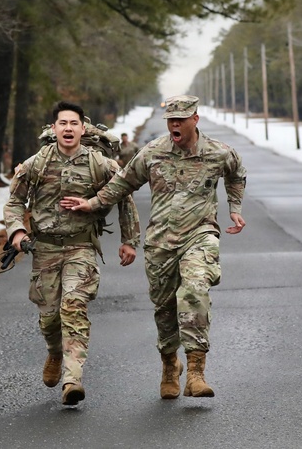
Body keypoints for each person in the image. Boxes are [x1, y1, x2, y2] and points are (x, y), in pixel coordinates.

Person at [62, 94, 246, 400]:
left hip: (200, 234)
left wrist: (235, 208)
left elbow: (236, 173)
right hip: (160, 242)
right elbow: (123, 183)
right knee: (164, 309)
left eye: (181, 120)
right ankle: (169, 364)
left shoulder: (218, 152)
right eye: (171, 120)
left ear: (194, 120)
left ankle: (197, 372)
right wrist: (91, 203)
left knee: (194, 289)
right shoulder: (153, 152)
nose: (174, 125)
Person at [4, 101, 140, 406]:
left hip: (81, 247)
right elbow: (14, 202)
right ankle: (54, 352)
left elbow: (124, 197)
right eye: (62, 123)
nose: (68, 128)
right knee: (50, 319)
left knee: (74, 307)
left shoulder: (100, 164)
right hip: (45, 249)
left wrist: (130, 239)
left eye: (73, 123)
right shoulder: (35, 164)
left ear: (82, 128)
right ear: (54, 129)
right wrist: (16, 231)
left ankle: (72, 379)